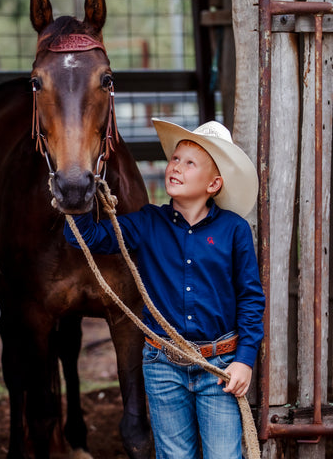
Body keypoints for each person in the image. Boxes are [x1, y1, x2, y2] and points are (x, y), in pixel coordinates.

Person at [63, 118, 265, 459]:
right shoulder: (146, 222)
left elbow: (250, 298)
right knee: (173, 455)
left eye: (190, 163)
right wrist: (75, 192)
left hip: (219, 366)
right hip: (162, 365)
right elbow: (87, 238)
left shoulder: (235, 231)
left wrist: (244, 360)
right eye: (175, 159)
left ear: (214, 183)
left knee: (223, 455)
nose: (176, 167)